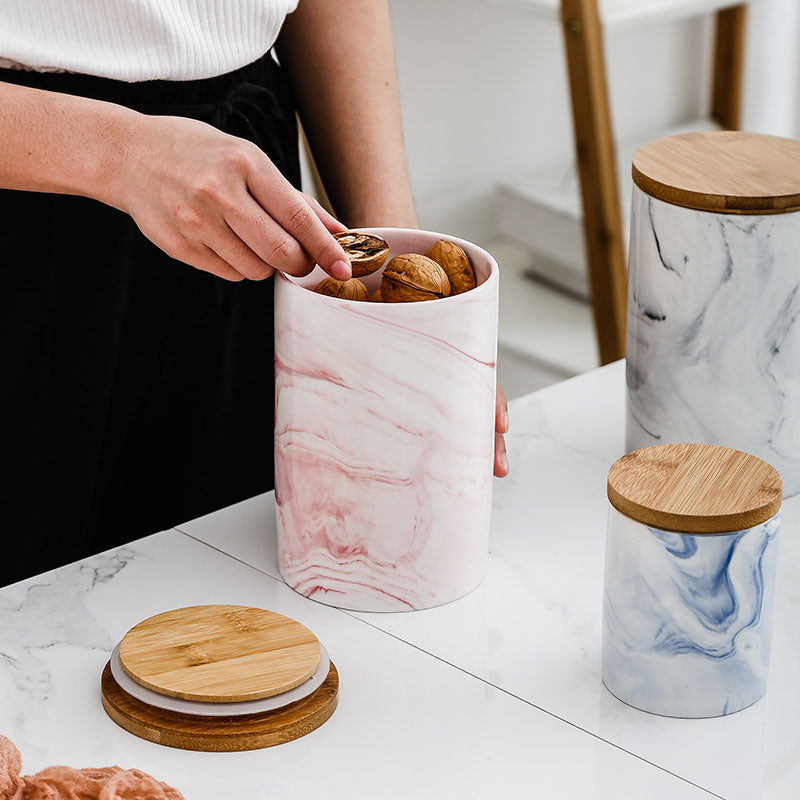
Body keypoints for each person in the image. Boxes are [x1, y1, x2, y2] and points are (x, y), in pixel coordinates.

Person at [0, 0, 509, 587]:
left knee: (235, 607)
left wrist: (404, 286)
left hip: (243, 198)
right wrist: (118, 152)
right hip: (30, 192)